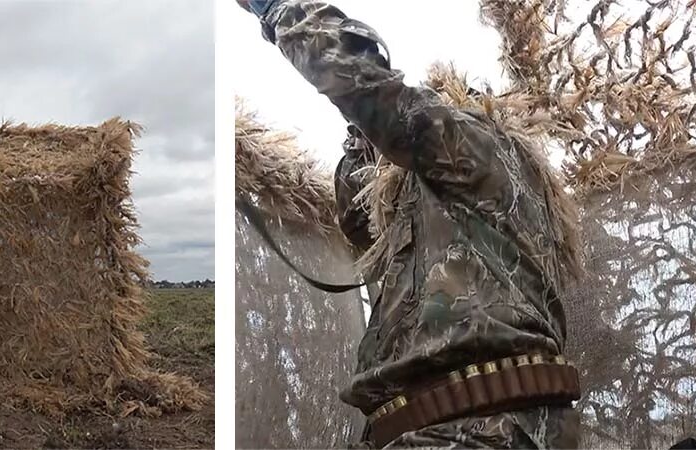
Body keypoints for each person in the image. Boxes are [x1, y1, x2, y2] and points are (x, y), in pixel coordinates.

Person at [237, 1, 585, 447]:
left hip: (479, 429)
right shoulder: (452, 208)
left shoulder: (476, 144)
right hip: (436, 429)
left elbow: (375, 96)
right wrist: (359, 141)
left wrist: (277, 9)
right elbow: (357, 221)